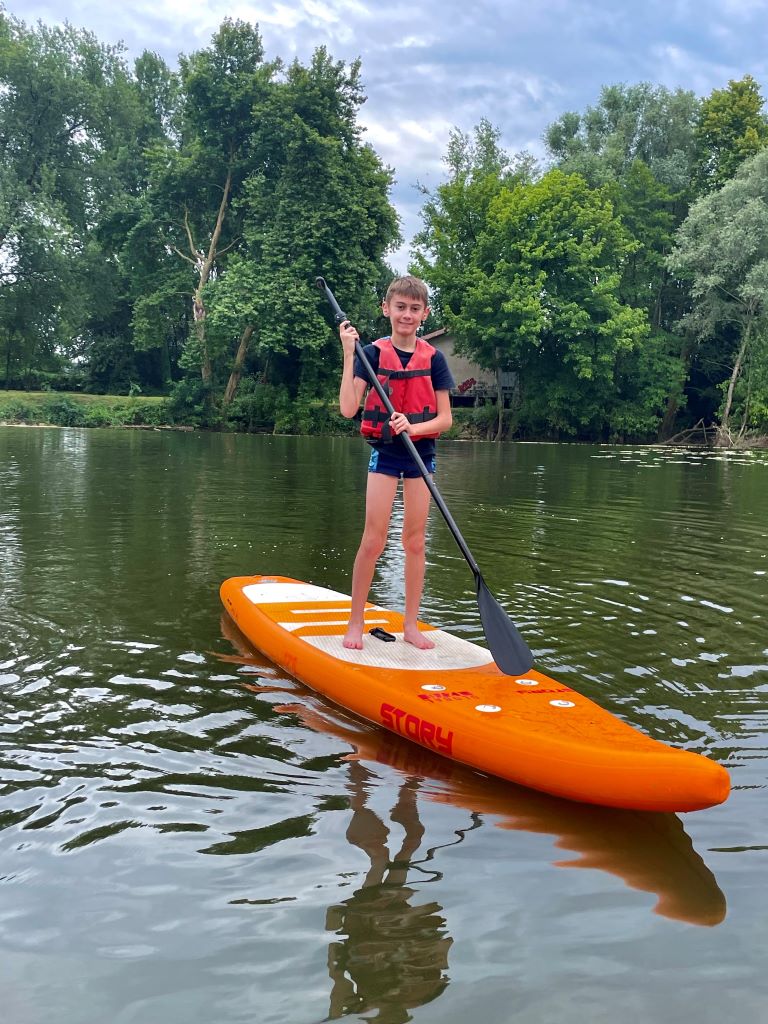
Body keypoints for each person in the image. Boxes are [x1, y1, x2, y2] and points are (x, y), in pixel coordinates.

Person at [338, 275, 454, 650]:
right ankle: (355, 624)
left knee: (415, 542)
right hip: (386, 454)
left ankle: (411, 625)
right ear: (386, 309)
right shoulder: (370, 355)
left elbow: (445, 420)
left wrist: (414, 426)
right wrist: (348, 353)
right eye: (400, 307)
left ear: (424, 314)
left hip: (421, 456)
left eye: (414, 309)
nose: (407, 314)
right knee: (373, 541)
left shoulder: (435, 359)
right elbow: (347, 409)